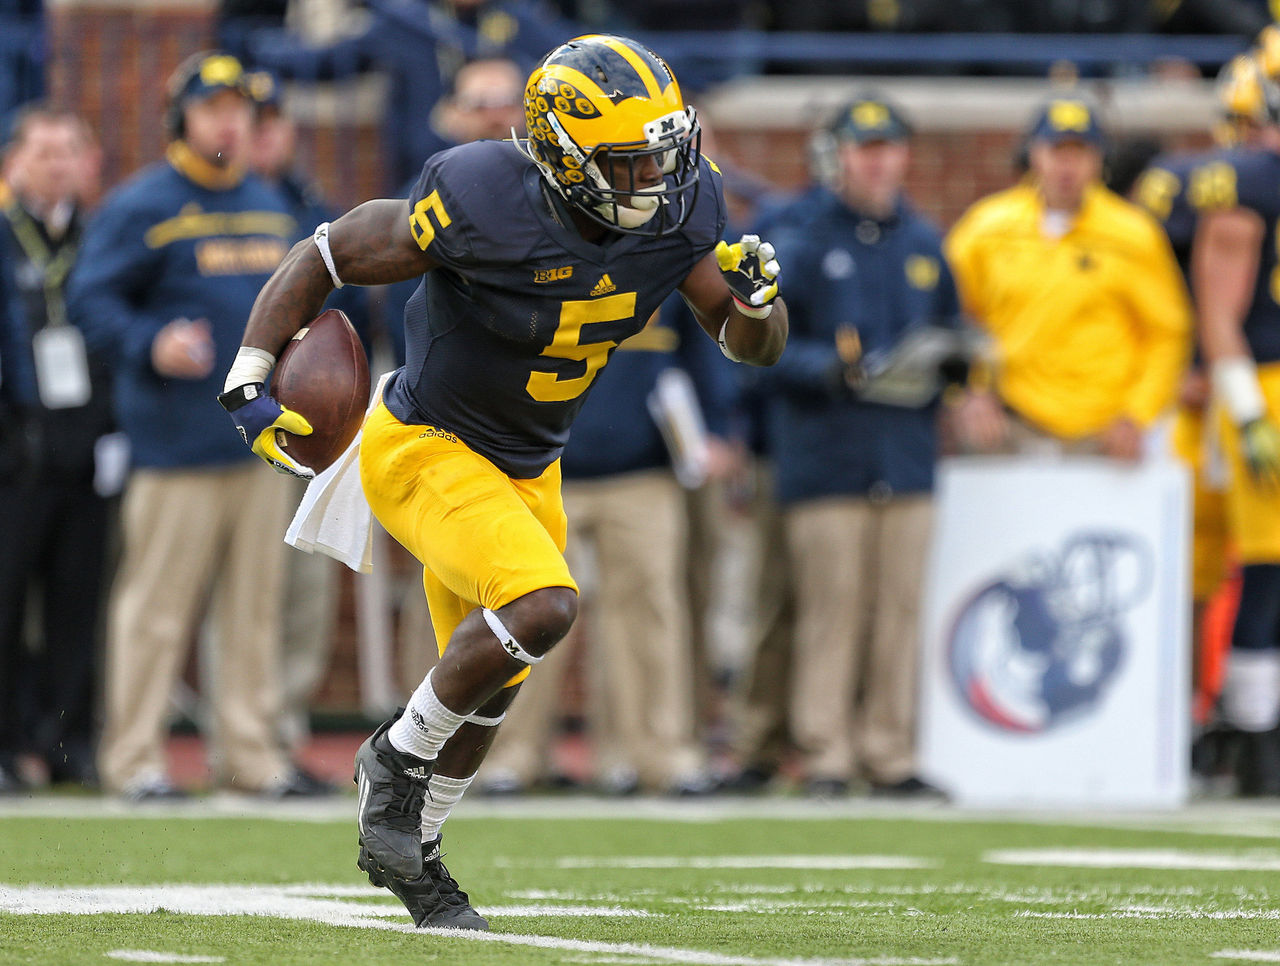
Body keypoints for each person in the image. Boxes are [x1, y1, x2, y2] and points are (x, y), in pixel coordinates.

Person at [218, 34, 786, 928]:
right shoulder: (484, 198)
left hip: (531, 462)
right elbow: (330, 254)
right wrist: (249, 373)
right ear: (565, 156)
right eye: (632, 161)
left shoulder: (682, 211)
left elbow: (744, 340)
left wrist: (759, 305)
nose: (657, 178)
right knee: (544, 607)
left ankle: (417, 855)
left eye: (665, 154)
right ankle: (392, 762)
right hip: (426, 444)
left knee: (492, 687)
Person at [66, 51, 330, 801]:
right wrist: (150, 342)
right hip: (173, 445)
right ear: (181, 117)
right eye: (212, 107)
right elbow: (90, 301)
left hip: (258, 445)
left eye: (239, 108)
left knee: (252, 612)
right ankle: (134, 759)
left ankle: (249, 756)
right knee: (155, 610)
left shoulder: (270, 202)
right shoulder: (141, 204)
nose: (227, 120)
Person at [759, 93, 962, 799]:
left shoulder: (925, 242)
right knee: (831, 612)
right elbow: (762, 347)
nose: (880, 162)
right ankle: (825, 752)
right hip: (828, 455)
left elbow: (952, 329)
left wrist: (958, 369)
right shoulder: (804, 238)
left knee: (898, 612)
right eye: (865, 149)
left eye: (890, 148)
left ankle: (890, 751)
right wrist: (831, 369)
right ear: (839, 157)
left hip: (904, 454)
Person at [945, 93, 1191, 462]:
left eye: (1080, 152)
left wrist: (1137, 413)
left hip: (1104, 431)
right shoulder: (987, 227)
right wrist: (969, 392)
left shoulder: (1132, 234)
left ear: (1099, 160)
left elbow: (1167, 332)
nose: (1067, 166)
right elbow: (950, 318)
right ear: (1033, 154)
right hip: (1009, 423)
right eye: (1057, 151)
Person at [246, 67, 367, 761]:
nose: (264, 137)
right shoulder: (210, 205)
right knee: (254, 589)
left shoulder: (305, 202)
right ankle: (251, 733)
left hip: (318, 431)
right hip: (256, 428)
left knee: (307, 585)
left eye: (271, 122)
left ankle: (285, 726)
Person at [0, 105, 107, 790]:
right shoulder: (7, 236)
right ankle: (8, 746)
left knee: (79, 602)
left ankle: (69, 745)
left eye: (69, 148)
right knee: (6, 601)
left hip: (86, 447)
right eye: (43, 149)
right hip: (15, 451)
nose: (57, 161)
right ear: (14, 159)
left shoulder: (98, 237)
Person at [1188, 68, 1280, 795]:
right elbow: (1219, 311)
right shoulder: (1248, 178)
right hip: (1268, 387)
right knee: (1269, 569)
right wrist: (1246, 409)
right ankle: (1254, 740)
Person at [230, 0, 574, 190]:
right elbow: (330, 61)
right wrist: (249, 45)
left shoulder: (522, 20)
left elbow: (573, 61)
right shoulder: (406, 21)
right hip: (423, 175)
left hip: (518, 177)